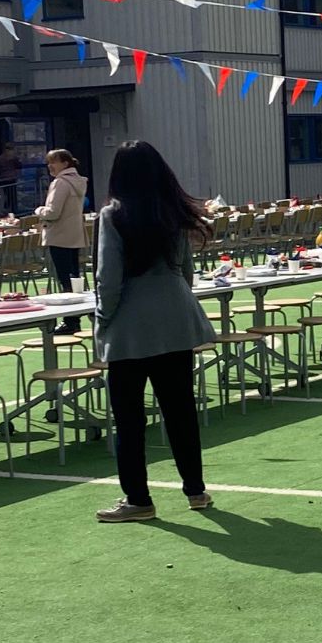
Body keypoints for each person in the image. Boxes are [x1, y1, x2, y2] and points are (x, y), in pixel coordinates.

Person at [91, 140, 215, 523]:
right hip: (175, 316)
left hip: (130, 324)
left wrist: (102, 321)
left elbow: (108, 278)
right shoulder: (173, 211)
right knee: (180, 411)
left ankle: (138, 498)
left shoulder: (112, 216)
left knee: (129, 419)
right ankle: (195, 489)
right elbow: (186, 270)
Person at [36, 148, 89, 325]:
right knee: (74, 279)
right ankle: (75, 317)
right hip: (74, 235)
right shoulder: (79, 181)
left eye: (53, 162)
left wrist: (39, 210)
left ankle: (70, 321)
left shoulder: (60, 183)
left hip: (59, 236)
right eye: (48, 162)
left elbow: (53, 212)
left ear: (65, 163)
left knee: (64, 280)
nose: (50, 166)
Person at [0, 142, 22, 215]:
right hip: (11, 178)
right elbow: (19, 166)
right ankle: (11, 211)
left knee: (7, 195)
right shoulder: (13, 157)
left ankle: (7, 209)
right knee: (12, 196)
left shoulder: (0, 158)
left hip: (3, 179)